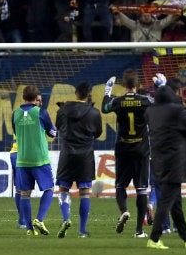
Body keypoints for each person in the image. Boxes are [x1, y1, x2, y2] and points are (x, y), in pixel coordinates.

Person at [144, 75, 186, 250]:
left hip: (158, 159)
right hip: (174, 160)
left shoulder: (151, 111)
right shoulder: (178, 110)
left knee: (175, 201)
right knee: (167, 201)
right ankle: (154, 239)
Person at [101, 69, 154, 238]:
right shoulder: (145, 101)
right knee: (141, 189)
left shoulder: (118, 101)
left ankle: (124, 210)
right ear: (137, 85)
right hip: (141, 150)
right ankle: (139, 231)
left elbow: (104, 107)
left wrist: (108, 92)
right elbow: (161, 104)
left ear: (123, 85)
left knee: (120, 185)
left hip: (123, 149)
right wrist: (162, 87)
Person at [54, 82, 102, 238]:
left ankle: (66, 219)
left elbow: (58, 127)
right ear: (88, 95)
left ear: (75, 93)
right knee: (84, 193)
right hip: (85, 156)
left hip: (67, 154)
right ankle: (82, 231)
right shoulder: (94, 113)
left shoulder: (62, 110)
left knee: (63, 189)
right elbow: (98, 133)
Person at [12, 85, 57, 236]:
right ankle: (39, 219)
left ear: (23, 97)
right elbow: (52, 133)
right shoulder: (41, 112)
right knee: (49, 189)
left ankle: (29, 229)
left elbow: (15, 131)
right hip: (40, 159)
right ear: (35, 98)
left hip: (22, 159)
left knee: (25, 193)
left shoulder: (15, 114)